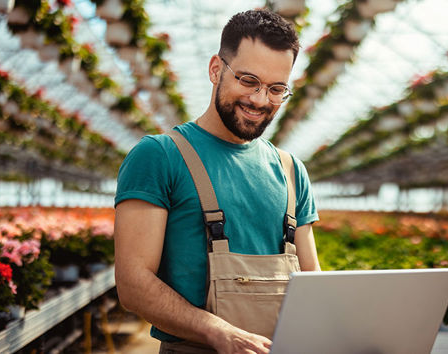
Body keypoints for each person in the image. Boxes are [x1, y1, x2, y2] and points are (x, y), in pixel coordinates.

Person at [113, 9, 321, 354]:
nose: (259, 100)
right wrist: (219, 332)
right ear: (215, 69)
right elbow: (133, 285)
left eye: (276, 89)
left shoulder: (290, 169)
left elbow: (311, 279)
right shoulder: (160, 156)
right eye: (248, 81)